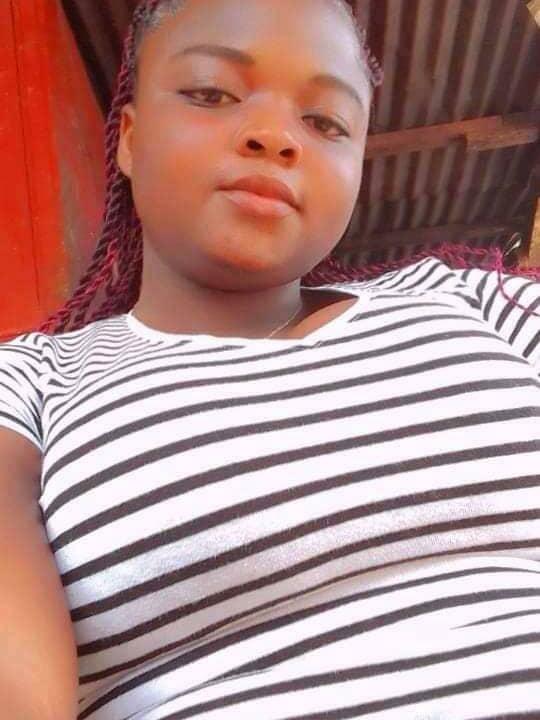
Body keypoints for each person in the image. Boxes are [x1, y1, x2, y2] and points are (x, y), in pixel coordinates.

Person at [1, 1, 539, 718]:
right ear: (129, 138)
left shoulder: (480, 304)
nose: (275, 136)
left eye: (326, 122)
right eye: (211, 93)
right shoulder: (30, 384)